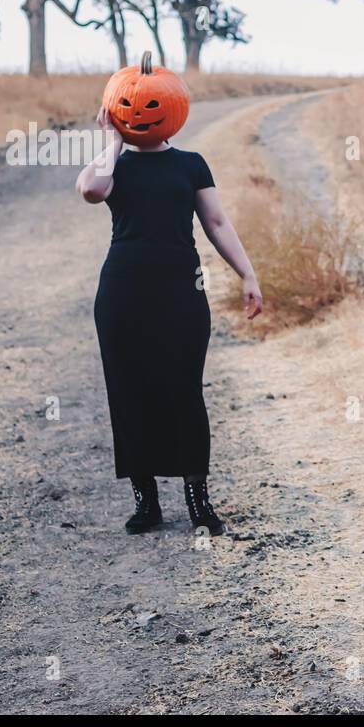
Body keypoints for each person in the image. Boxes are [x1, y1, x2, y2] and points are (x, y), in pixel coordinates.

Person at [76, 104, 262, 536]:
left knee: (184, 390)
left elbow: (216, 221)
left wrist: (247, 273)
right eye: (128, 109)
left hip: (182, 290)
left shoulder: (191, 164)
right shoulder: (112, 164)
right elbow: (91, 192)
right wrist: (112, 141)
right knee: (128, 392)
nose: (140, 112)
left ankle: (198, 498)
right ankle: (147, 501)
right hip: (122, 294)